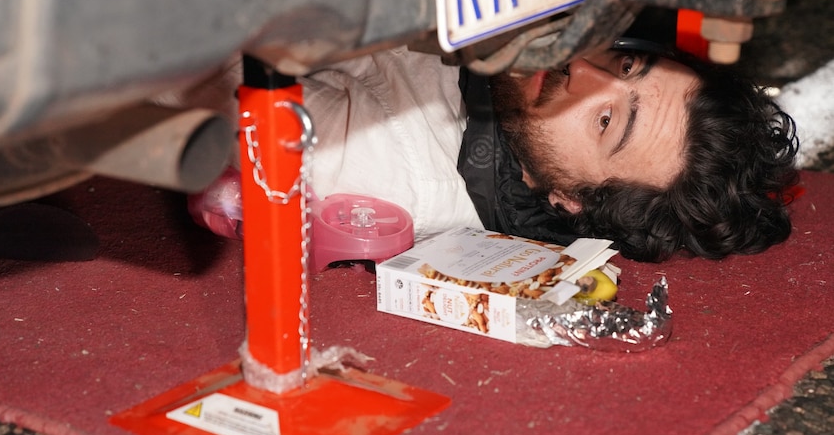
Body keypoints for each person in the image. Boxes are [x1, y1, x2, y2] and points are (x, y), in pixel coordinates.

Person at [191, 39, 799, 263]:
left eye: (607, 120)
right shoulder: (516, 79)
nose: (580, 68)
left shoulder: (391, 169)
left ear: (567, 199)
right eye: (626, 63)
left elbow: (205, 52)